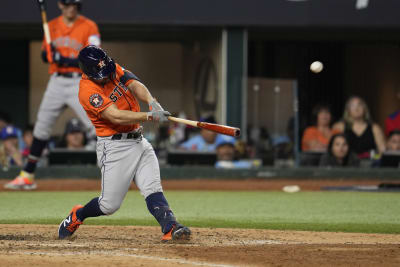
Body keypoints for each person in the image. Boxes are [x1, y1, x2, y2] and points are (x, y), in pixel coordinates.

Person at [57, 45, 191, 242]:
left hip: (138, 140)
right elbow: (115, 116)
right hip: (115, 148)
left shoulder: (110, 68)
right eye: (101, 74)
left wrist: (152, 102)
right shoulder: (87, 91)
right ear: (88, 72)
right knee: (108, 206)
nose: (106, 75)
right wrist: (149, 116)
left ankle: (170, 227)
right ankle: (78, 214)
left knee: (152, 187)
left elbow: (133, 82)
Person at [4, 0, 100, 190]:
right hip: (56, 81)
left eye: (75, 4)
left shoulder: (89, 26)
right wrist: (48, 56)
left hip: (79, 81)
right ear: (60, 5)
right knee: (41, 128)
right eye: (68, 4)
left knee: (96, 125)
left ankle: (111, 171)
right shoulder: (52, 26)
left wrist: (63, 58)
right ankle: (28, 175)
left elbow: (94, 58)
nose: (71, 7)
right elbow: (45, 54)